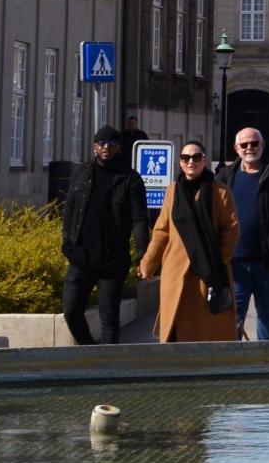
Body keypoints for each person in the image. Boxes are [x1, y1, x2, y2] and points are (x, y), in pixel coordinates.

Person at [139, 141, 240, 343]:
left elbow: (231, 229)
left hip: (206, 273)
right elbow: (161, 230)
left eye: (196, 157)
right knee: (175, 327)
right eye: (185, 158)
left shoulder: (219, 192)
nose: (191, 162)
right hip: (176, 271)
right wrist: (148, 263)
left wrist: (217, 259)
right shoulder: (172, 191)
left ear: (205, 160)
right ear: (180, 163)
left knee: (204, 330)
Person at [60, 125, 149, 345]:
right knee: (71, 311)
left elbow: (139, 219)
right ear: (94, 147)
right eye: (101, 144)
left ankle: (108, 364)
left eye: (111, 144)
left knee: (109, 318)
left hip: (112, 261)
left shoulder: (130, 179)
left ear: (119, 148)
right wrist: (67, 242)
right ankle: (90, 350)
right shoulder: (81, 173)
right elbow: (70, 208)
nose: (106, 148)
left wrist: (142, 254)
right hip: (80, 258)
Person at [223, 124, 269, 341]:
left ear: (262, 145)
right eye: (244, 144)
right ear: (236, 148)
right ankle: (233, 365)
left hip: (268, 260)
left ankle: (266, 361)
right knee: (232, 317)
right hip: (236, 261)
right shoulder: (225, 176)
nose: (250, 148)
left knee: (267, 315)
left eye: (254, 143)